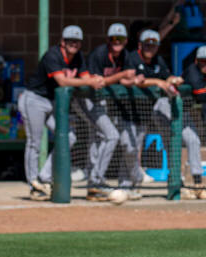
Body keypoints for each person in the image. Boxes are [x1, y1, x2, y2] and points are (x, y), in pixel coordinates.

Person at [18, 26, 104, 201]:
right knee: (34, 142)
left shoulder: (78, 57)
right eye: (70, 41)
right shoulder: (53, 55)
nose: (74, 44)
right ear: (62, 42)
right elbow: (62, 81)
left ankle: (43, 177)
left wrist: (97, 79)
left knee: (69, 137)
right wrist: (89, 81)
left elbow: (86, 77)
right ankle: (33, 184)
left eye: (77, 41)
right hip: (34, 99)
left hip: (52, 102)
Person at [124, 29, 187, 199]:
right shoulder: (132, 58)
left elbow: (166, 77)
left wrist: (173, 80)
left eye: (153, 45)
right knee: (130, 146)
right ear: (140, 45)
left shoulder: (159, 60)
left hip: (151, 107)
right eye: (147, 45)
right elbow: (136, 81)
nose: (150, 48)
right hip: (130, 109)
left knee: (170, 135)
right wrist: (158, 82)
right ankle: (132, 181)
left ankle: (175, 176)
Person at [84, 23, 141, 201]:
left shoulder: (126, 56)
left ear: (126, 41)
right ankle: (95, 181)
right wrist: (122, 75)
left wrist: (135, 80)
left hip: (104, 102)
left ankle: (94, 184)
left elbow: (126, 80)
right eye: (114, 39)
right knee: (111, 136)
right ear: (108, 40)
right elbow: (97, 83)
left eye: (120, 39)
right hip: (86, 99)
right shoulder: (98, 54)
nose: (117, 42)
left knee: (101, 137)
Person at [180, 45, 206, 199]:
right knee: (173, 147)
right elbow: (201, 94)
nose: (205, 64)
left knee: (193, 141)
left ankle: (197, 184)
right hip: (166, 109)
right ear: (197, 61)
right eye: (203, 61)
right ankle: (178, 185)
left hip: (181, 112)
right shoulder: (192, 70)